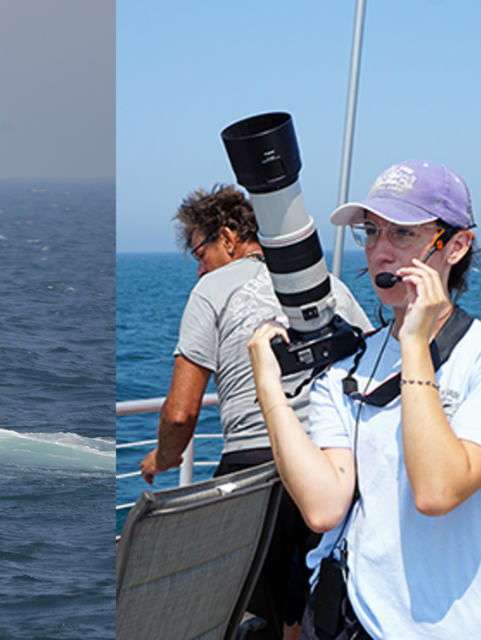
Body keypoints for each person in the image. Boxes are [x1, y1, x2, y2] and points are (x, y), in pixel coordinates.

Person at [248, 160, 481, 639]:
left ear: (456, 244)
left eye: (403, 234)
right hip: (346, 621)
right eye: (370, 233)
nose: (380, 253)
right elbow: (324, 508)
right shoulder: (348, 365)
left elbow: (436, 491)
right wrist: (269, 390)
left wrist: (413, 342)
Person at [140, 184, 372, 640]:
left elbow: (182, 413)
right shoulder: (329, 286)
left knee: (246, 614)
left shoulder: (211, 290)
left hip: (253, 473)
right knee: (317, 608)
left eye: (198, 253)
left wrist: (161, 459)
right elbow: (373, 365)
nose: (199, 268)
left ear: (227, 238)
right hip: (334, 467)